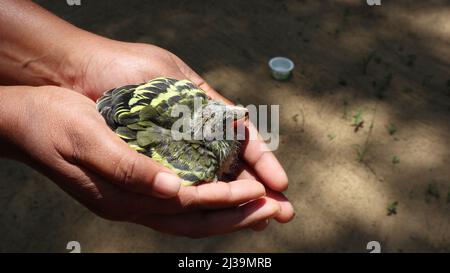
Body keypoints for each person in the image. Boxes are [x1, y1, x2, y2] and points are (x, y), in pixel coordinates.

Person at [0, 0, 294, 237]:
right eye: (224, 123)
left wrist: (82, 64)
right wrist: (21, 118)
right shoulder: (199, 162)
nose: (240, 118)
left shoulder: (185, 95)